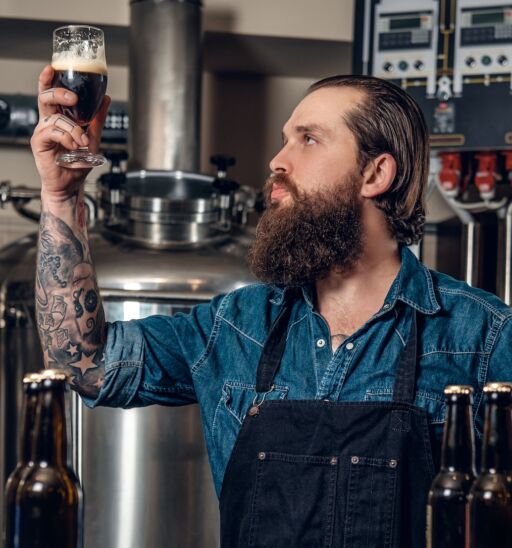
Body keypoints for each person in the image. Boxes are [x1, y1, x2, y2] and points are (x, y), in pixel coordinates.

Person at [32, 65, 512, 547]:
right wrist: (62, 195)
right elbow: (87, 366)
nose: (277, 161)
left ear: (375, 173)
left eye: (308, 140)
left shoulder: (482, 336)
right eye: (285, 140)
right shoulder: (235, 326)